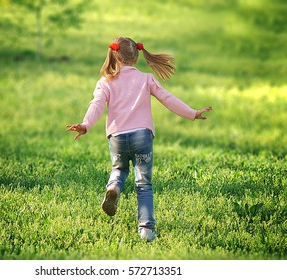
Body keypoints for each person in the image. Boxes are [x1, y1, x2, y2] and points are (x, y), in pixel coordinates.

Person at [67, 37, 212, 242]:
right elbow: (167, 98)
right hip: (142, 137)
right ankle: (146, 230)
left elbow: (97, 105)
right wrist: (192, 113)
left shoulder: (105, 82)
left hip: (117, 137)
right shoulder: (146, 79)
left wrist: (85, 125)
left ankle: (113, 188)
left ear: (115, 56)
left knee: (119, 169)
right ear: (136, 57)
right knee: (143, 184)